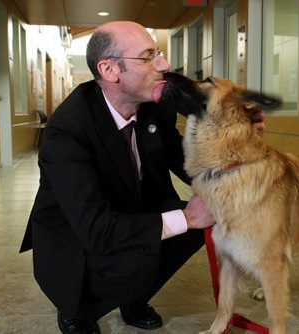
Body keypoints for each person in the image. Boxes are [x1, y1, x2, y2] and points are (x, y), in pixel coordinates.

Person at [19, 21, 216, 334]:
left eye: (159, 53)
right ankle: (79, 310)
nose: (164, 65)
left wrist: (241, 121)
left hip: (128, 206)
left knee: (191, 226)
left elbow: (192, 159)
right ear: (109, 70)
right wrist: (188, 217)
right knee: (142, 255)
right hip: (78, 233)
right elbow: (96, 228)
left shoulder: (154, 105)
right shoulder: (68, 128)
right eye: (148, 57)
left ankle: (134, 297)